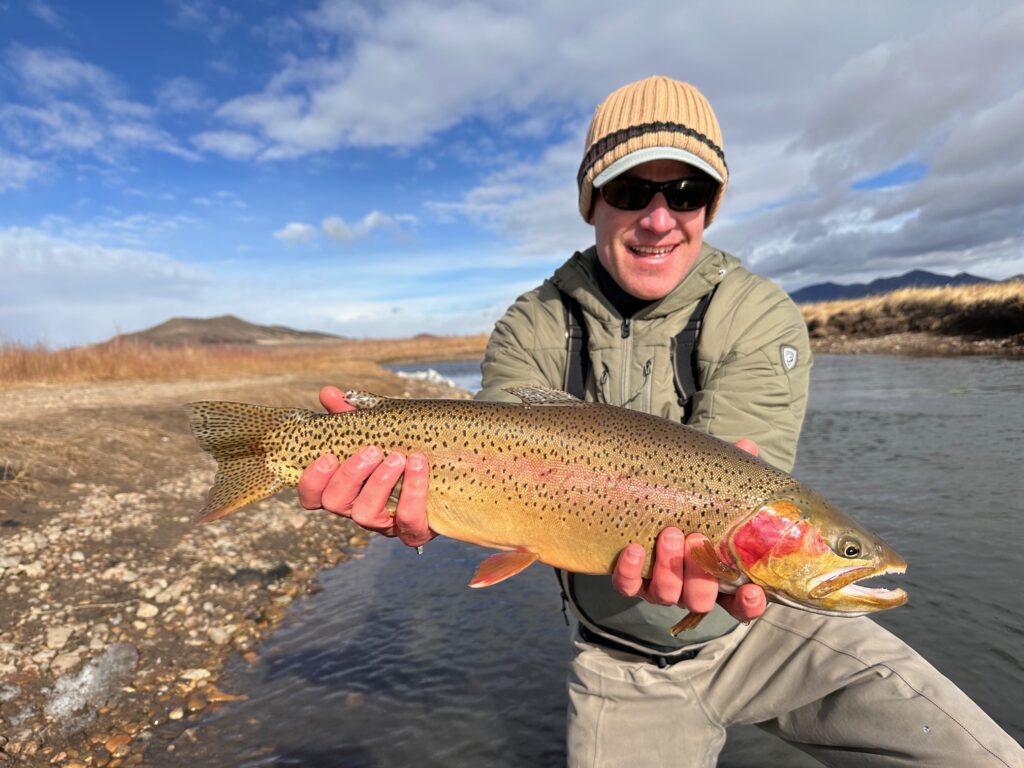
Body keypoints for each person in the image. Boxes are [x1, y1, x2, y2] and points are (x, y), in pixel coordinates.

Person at [298, 76, 1023, 767]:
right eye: (629, 190)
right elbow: (489, 463)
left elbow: (742, 481)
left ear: (710, 206)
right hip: (623, 661)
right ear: (591, 201)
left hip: (778, 623)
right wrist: (414, 508)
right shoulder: (531, 324)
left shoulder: (759, 314)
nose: (658, 218)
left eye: (687, 192)